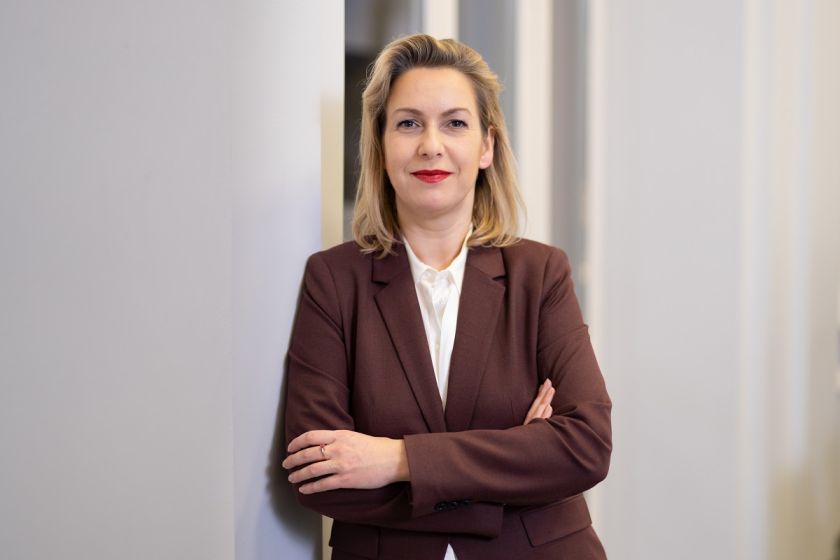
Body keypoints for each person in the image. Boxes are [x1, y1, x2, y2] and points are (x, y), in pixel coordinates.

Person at [282, 33, 611, 560]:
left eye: (454, 123)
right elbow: (317, 473)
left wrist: (394, 460)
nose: (431, 145)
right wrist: (517, 461)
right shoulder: (334, 280)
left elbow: (585, 446)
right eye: (408, 123)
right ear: (381, 145)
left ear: (486, 147)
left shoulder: (540, 274)